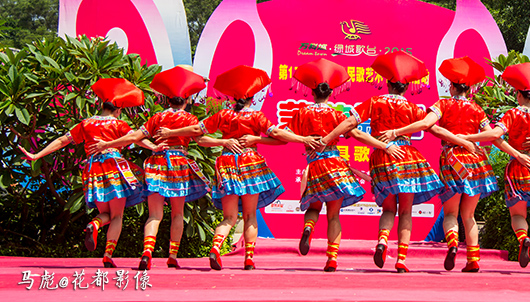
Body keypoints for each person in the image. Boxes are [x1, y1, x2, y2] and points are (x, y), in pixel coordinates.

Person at [157, 64, 319, 271]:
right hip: (250, 163)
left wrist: (171, 134)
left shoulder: (223, 115)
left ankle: (215, 247)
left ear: (233, 97)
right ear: (252, 97)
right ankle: (249, 258)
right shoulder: (255, 117)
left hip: (226, 164)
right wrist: (299, 139)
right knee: (250, 215)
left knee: (229, 217)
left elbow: (199, 134)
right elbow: (278, 136)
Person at [322, 50, 443, 273]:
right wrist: (462, 140)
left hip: (382, 158)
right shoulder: (414, 108)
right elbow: (430, 125)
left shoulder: (375, 102)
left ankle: (382, 241)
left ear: (388, 84)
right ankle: (402, 260)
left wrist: (328, 138)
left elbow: (350, 123)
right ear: (406, 87)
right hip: (407, 157)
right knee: (406, 212)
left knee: (388, 209)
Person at [19, 78, 155, 268]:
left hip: (93, 171)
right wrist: (156, 148)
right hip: (114, 168)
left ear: (101, 105)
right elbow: (137, 138)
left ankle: (95, 225)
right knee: (117, 216)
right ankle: (108, 254)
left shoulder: (85, 123)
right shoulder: (118, 124)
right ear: (117, 110)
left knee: (104, 213)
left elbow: (62, 140)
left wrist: (36, 155)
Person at [378, 56, 495, 272]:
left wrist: (396, 131)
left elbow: (426, 124)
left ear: (451, 86)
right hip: (475, 161)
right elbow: (491, 134)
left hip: (452, 161)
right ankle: (473, 259)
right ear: (468, 89)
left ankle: (452, 244)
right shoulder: (477, 109)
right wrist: (470, 140)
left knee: (451, 213)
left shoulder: (442, 104)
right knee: (469, 215)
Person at [88, 66, 210, 270]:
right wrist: (225, 142)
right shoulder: (189, 119)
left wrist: (106, 144)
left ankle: (147, 252)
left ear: (167, 99)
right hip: (178, 164)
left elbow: (135, 137)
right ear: (186, 100)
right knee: (177, 213)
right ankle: (172, 256)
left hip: (156, 164)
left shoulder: (157, 118)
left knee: (154, 215)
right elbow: (201, 138)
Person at [463, 62, 530, 274]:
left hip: (519, 167)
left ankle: (523, 237)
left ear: (518, 94)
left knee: (517, 215)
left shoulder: (512, 114)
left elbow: (495, 136)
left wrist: (469, 138)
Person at [274, 57, 366, 272]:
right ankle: (332, 259)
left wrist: (303, 140)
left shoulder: (301, 113)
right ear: (330, 93)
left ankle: (308, 228)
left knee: (314, 206)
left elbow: (283, 134)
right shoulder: (337, 114)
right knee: (334, 215)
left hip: (315, 164)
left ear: (312, 93)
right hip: (335, 164)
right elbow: (357, 133)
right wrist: (381, 145)